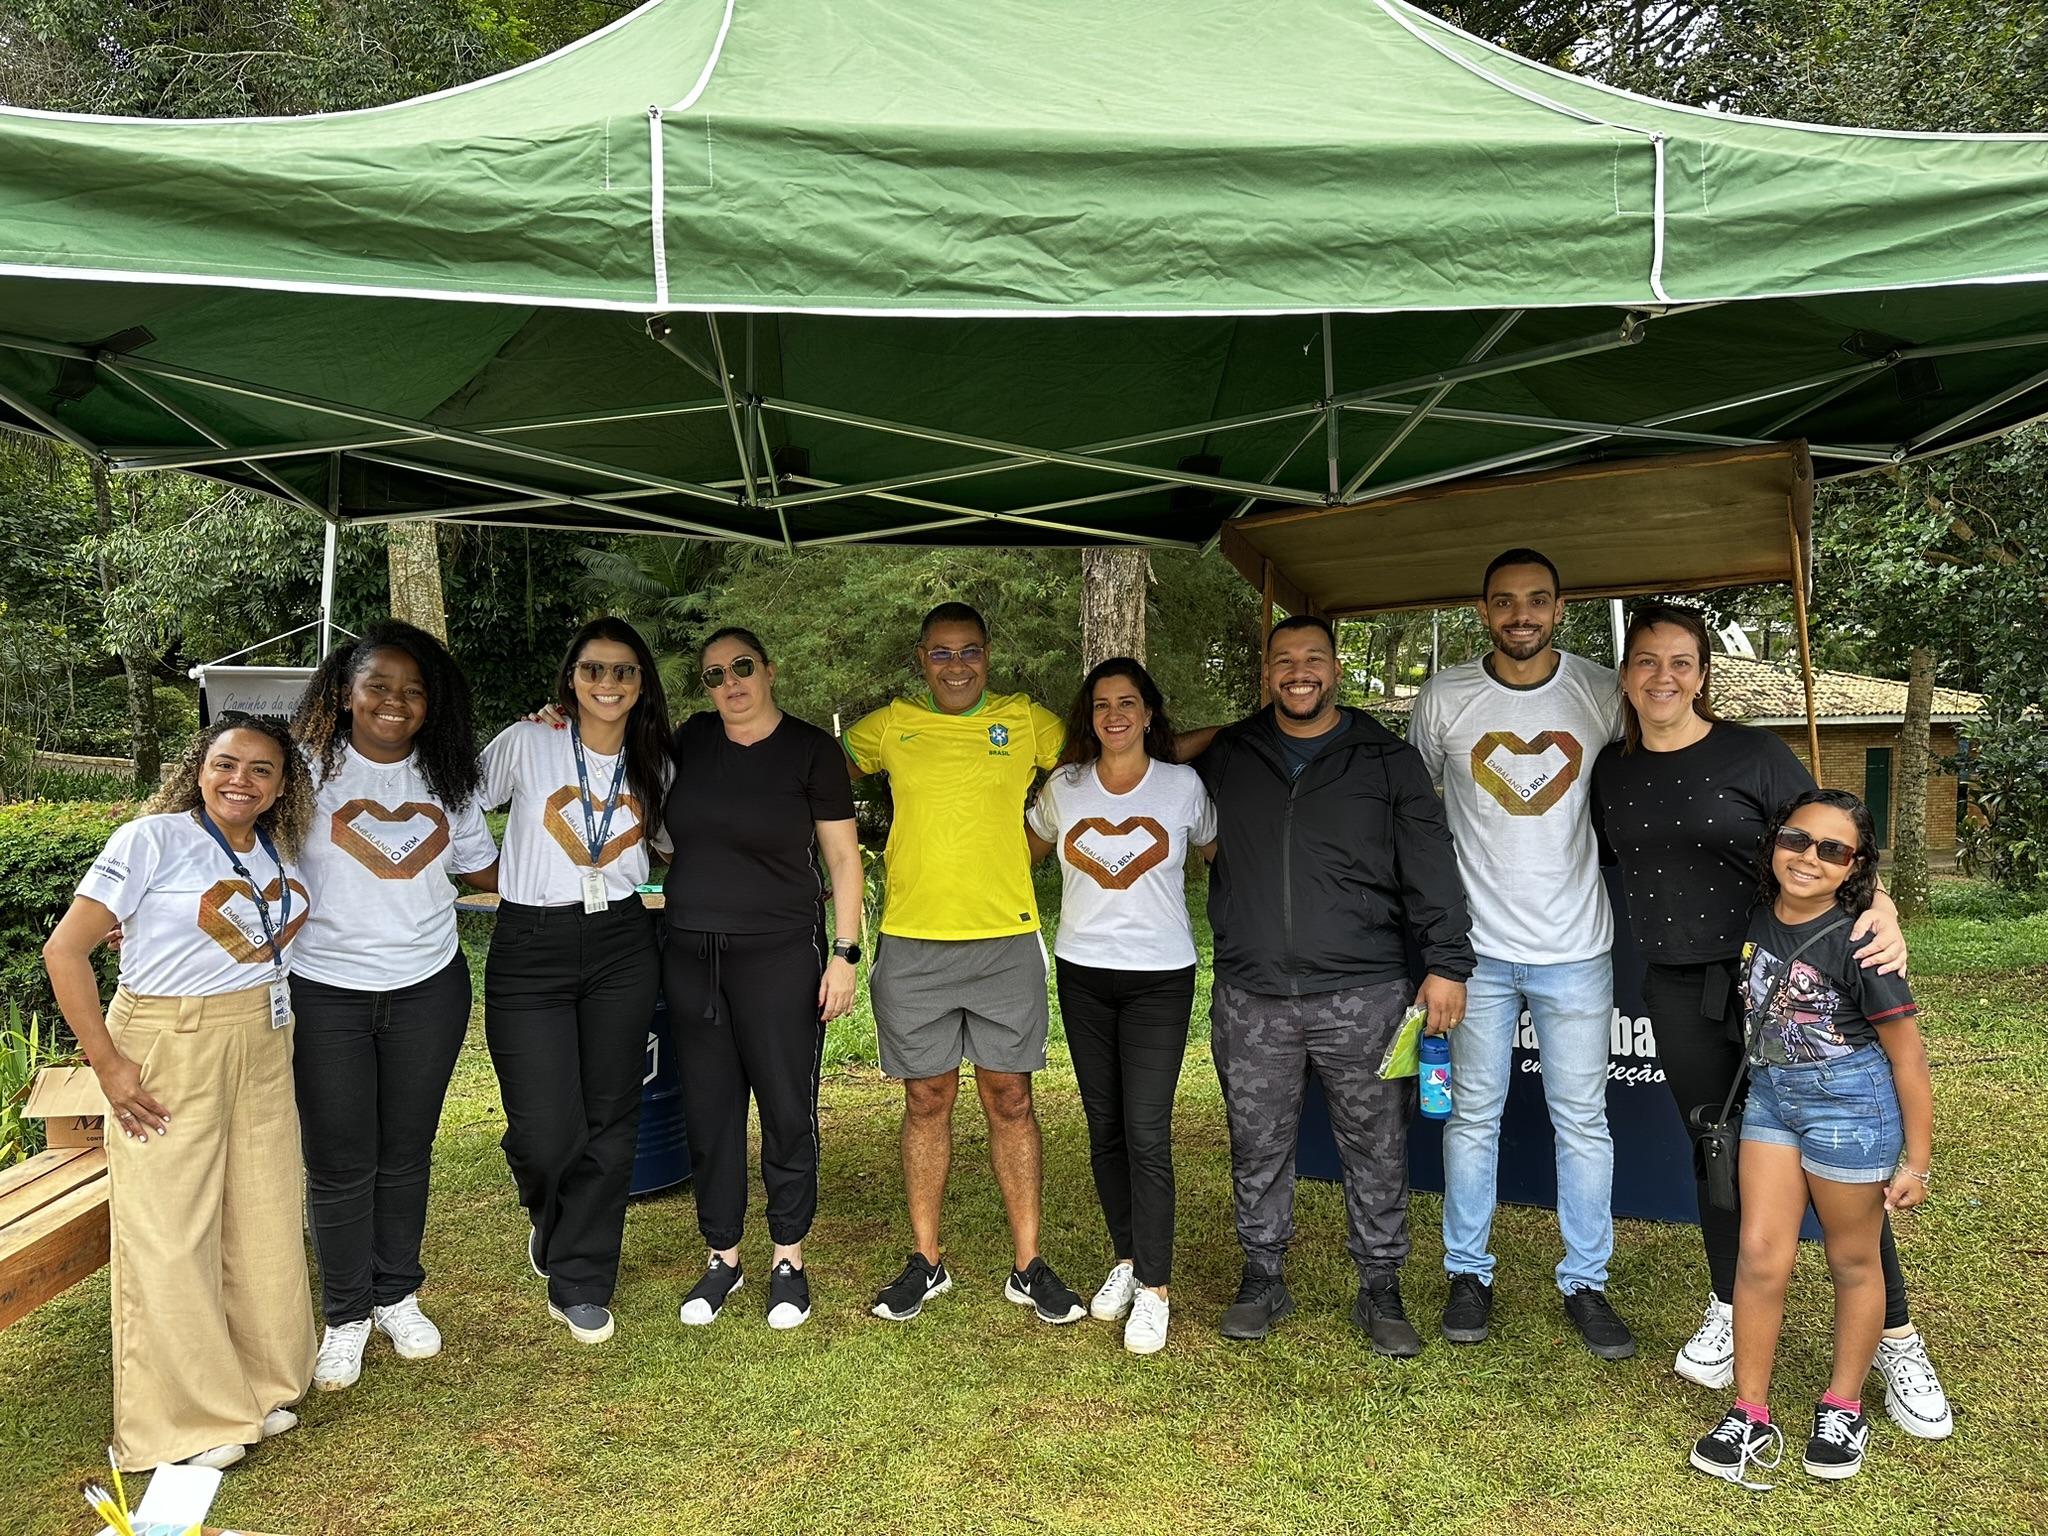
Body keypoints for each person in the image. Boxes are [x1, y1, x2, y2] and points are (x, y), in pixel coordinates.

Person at [1592, 603, 1950, 1437]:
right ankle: (1728, 1304)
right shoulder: (1613, 769)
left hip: (1778, 977)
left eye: (1681, 662)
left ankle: (1896, 1335)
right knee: (1718, 1149)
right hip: (1681, 986)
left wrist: (1885, 904)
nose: (1663, 678)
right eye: (1646, 662)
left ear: (1704, 673)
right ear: (1626, 675)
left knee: (1837, 1162)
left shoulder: (1752, 753)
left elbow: (1833, 843)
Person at [1192, 614, 1473, 1355]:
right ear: (1266, 672)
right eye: (1284, 660)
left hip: (1365, 992)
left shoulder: (1385, 760)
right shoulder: (1231, 754)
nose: (1299, 672)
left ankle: (1380, 1286)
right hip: (1252, 994)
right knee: (1256, 1143)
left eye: (1313, 658)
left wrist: (1447, 962)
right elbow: (1151, 757)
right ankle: (1262, 1275)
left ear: (1335, 668)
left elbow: (1431, 865)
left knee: (1377, 1144)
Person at [43, 716, 318, 1472]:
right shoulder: (150, 839)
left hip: (262, 1041)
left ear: (282, 784)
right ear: (199, 767)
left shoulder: (275, 847)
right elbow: (64, 949)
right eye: (226, 764)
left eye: (262, 770)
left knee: (259, 1213)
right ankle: (186, 1420)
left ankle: (257, 1387)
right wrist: (108, 1064)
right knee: (172, 1226)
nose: (242, 780)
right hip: (169, 1040)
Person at [1408, 549, 1635, 1359]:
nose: (1521, 616)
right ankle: (1468, 1274)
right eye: (1505, 603)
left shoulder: (1603, 692)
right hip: (1476, 952)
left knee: (1583, 1121)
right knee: (1473, 1118)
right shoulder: (1444, 698)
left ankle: (1587, 1282)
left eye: (1537, 601)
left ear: (1560, 607)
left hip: (1576, 948)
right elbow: (1417, 818)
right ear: (1483, 612)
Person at [845, 601, 1086, 1325]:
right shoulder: (888, 726)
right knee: (927, 1100)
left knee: (1010, 1097)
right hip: (913, 942)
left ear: (988, 654)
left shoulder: (1028, 721)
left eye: (969, 651)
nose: (957, 665)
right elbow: (795, 762)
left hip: (1004, 940)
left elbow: (1118, 744)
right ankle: (927, 1262)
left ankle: (1027, 1266)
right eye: (942, 653)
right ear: (922, 658)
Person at [1691, 789, 1933, 1485]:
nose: (1809, 858)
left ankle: (1842, 1405)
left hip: (1849, 1105)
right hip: (1772, 1096)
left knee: (1852, 1259)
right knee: (1760, 1256)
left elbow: (1907, 1056)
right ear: (1776, 840)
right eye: (1797, 839)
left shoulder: (1864, 941)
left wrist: (1918, 1160)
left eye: (1833, 850)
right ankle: (1750, 1412)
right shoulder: (1759, 915)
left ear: (1855, 867)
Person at [288, 620, 499, 1391]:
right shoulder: (304, 771)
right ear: (344, 692)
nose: (395, 702)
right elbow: (236, 847)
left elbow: (483, 871)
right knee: (340, 1159)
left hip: (427, 988)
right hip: (325, 990)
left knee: (407, 1150)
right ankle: (345, 1313)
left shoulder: (451, 778)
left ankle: (396, 1295)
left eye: (413, 691)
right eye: (378, 685)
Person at [663, 627, 864, 1331]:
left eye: (742, 667)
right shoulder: (688, 741)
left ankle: (788, 1258)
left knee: (785, 1108)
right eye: (715, 674)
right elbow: (608, 751)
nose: (731, 683)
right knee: (711, 1114)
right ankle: (723, 1257)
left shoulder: (812, 750)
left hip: (781, 953)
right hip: (691, 956)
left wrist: (845, 954)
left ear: (770, 670)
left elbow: (843, 862)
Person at [481, 617, 670, 1345]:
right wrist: (487, 870)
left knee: (610, 1116)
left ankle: (582, 1278)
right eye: (594, 669)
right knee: (541, 1128)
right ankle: (550, 1214)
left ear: (641, 682)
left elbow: (677, 842)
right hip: (532, 940)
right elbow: (464, 801)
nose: (609, 683)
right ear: (570, 677)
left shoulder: (657, 757)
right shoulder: (528, 742)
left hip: (623, 939)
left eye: (624, 671)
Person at [1025, 658, 1217, 1355]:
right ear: (1090, 715)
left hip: (1160, 978)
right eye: (1102, 704)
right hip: (1082, 973)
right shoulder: (1064, 788)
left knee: (1146, 1131)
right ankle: (1130, 1262)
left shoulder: (1183, 787)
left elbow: (1222, 853)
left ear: (1148, 712)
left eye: (1127, 702)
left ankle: (1158, 1291)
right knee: (1103, 1126)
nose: (1114, 715)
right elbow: (1023, 852)